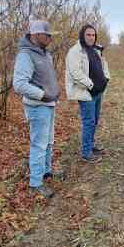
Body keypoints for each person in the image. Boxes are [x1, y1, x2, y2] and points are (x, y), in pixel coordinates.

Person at [13, 20, 64, 199]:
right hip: (38, 107)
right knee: (39, 144)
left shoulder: (45, 54)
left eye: (50, 34)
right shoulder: (25, 55)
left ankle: (47, 172)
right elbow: (19, 85)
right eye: (47, 34)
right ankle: (36, 183)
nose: (50, 37)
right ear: (35, 35)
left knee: (49, 142)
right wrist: (44, 95)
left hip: (49, 105)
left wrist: (54, 93)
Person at [65, 23, 111, 163]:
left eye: (93, 35)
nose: (91, 37)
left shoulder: (95, 50)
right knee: (89, 122)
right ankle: (86, 153)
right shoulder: (75, 51)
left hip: (98, 92)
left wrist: (106, 79)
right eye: (88, 35)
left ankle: (90, 146)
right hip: (87, 93)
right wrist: (91, 85)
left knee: (94, 121)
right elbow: (76, 74)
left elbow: (103, 66)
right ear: (82, 35)